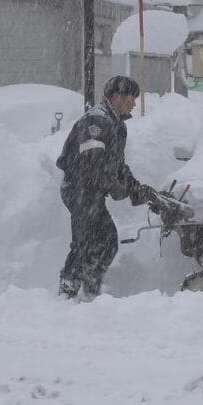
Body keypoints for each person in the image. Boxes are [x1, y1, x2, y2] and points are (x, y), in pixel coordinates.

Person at [56, 75, 156, 299]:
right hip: (79, 188)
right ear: (117, 96)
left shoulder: (117, 126)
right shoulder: (96, 122)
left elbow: (117, 165)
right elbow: (92, 163)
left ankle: (90, 287)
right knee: (84, 240)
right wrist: (117, 188)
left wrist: (134, 187)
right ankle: (67, 292)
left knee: (108, 241)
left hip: (93, 190)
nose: (134, 103)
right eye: (131, 98)